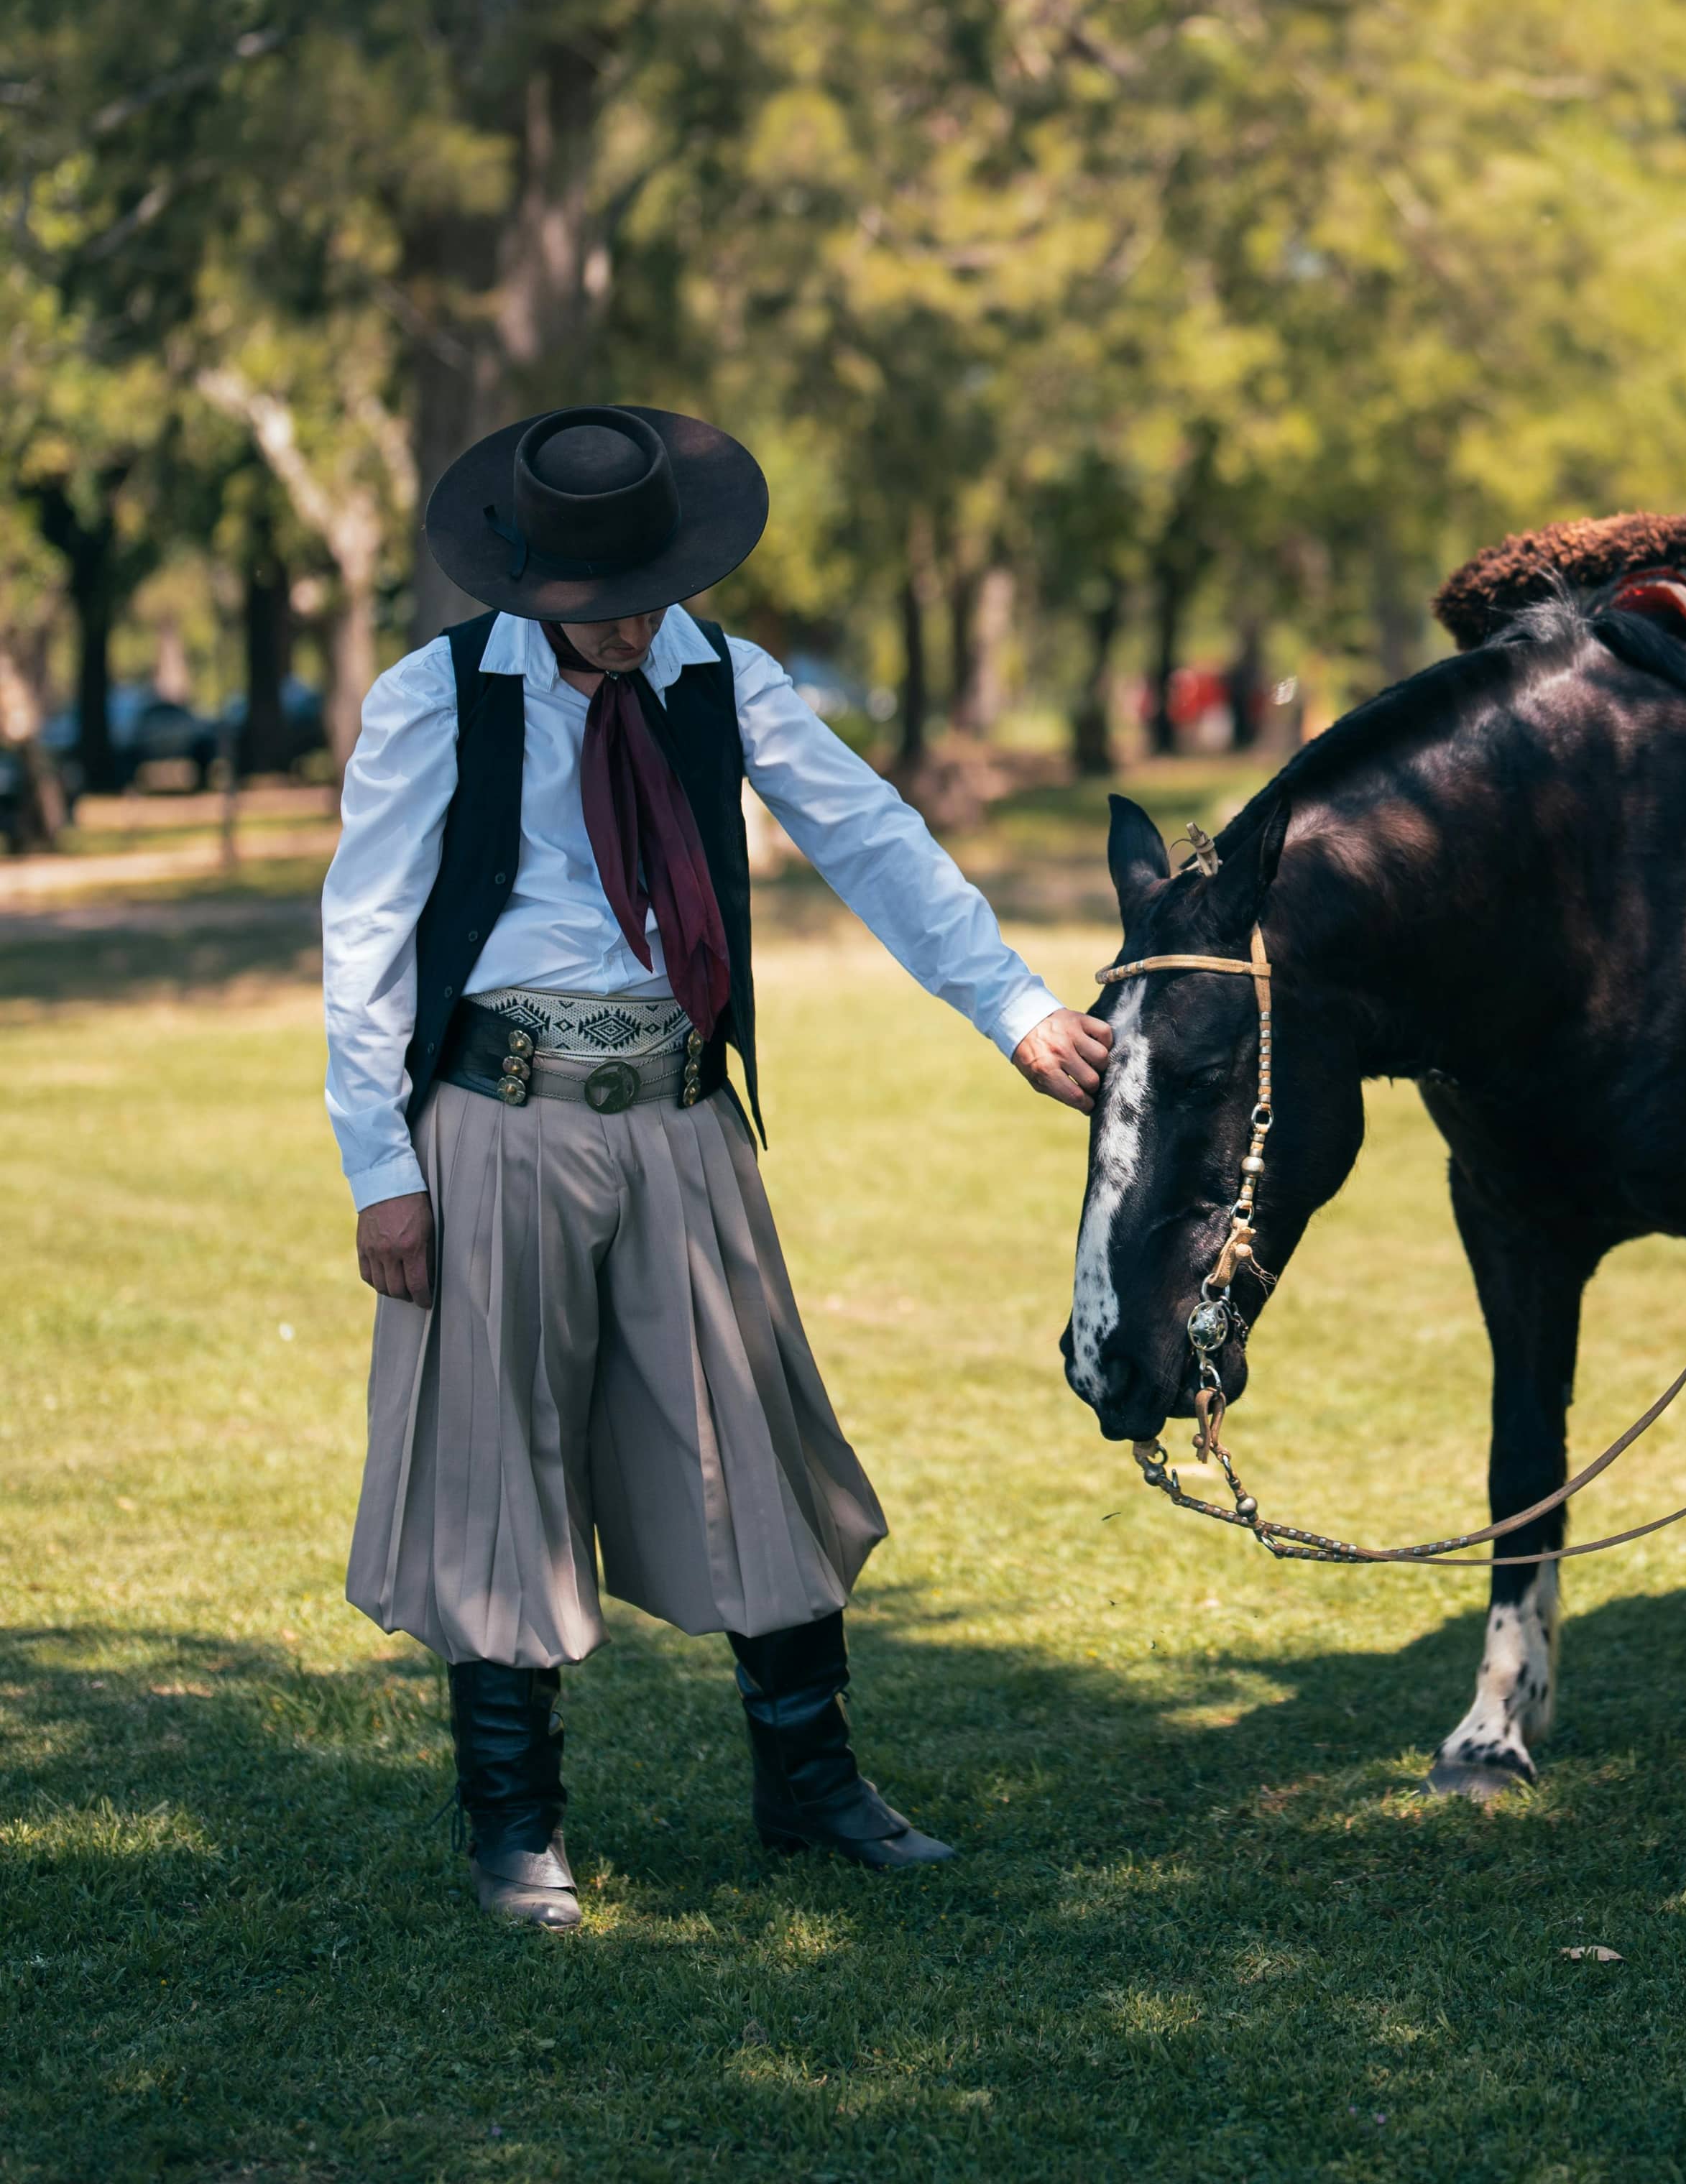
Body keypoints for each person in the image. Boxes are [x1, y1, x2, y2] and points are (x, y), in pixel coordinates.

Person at [322, 405, 1109, 1931]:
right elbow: (362, 945)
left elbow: (873, 839)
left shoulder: (716, 676)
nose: (628, 625)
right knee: (498, 1463)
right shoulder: (436, 701)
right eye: (594, 601)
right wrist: (381, 1170)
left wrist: (1012, 1009)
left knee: (760, 1437)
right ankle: (514, 1828)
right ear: (527, 578)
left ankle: (810, 1785)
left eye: (649, 589)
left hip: (684, 1110)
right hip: (497, 1114)